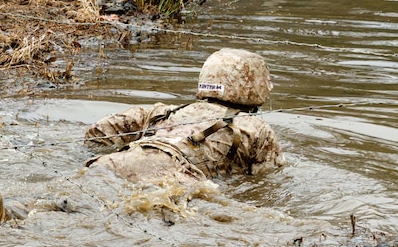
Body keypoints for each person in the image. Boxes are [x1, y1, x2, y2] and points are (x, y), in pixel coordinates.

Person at [83, 48, 282, 184]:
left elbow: (97, 132)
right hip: (176, 181)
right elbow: (265, 181)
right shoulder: (257, 129)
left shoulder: (160, 112)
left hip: (111, 164)